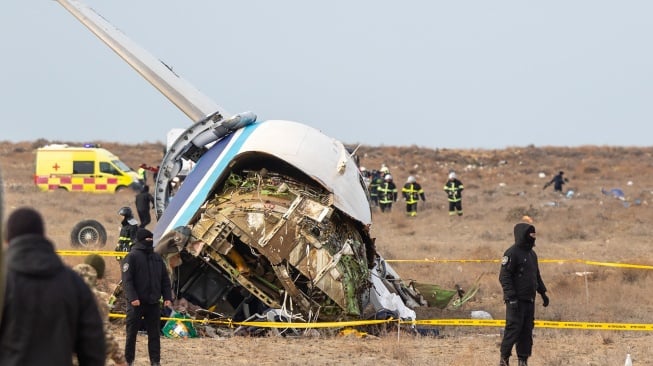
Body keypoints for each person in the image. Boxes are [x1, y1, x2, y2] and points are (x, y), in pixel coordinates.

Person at [0, 207, 105, 365]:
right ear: (42, 236)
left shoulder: (4, 281)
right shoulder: (73, 283)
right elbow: (93, 347)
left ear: (7, 240)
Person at [499, 223, 549, 366]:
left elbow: (536, 276)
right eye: (531, 235)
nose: (533, 238)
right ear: (523, 235)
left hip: (529, 300)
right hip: (515, 301)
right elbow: (504, 277)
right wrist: (511, 297)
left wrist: (543, 293)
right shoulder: (511, 253)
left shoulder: (532, 254)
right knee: (513, 329)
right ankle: (504, 359)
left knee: (527, 331)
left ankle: (523, 360)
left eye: (534, 235)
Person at [122, 228, 173, 366]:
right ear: (140, 240)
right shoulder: (131, 257)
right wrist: (133, 298)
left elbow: (165, 280)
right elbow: (127, 281)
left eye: (151, 238)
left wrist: (167, 297)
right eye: (147, 239)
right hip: (136, 304)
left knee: (155, 335)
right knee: (131, 334)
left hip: (153, 303)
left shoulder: (157, 258)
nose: (150, 241)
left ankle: (155, 361)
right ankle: (128, 360)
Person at [74, 255, 128, 366]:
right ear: (97, 277)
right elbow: (105, 335)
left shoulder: (58, 289)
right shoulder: (95, 299)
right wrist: (120, 360)